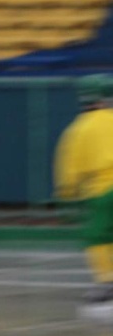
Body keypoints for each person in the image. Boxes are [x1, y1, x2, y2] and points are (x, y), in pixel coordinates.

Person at [54, 73, 113, 309]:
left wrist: (67, 196)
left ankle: (106, 281)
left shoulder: (78, 129)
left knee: (98, 235)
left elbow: (69, 167)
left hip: (101, 190)